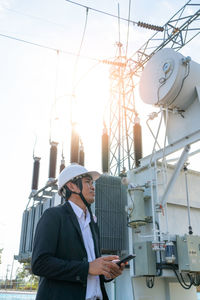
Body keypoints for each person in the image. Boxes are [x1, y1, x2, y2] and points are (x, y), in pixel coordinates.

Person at [31, 163, 125, 300]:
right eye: (88, 182)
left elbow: (91, 270)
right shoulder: (53, 216)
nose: (93, 187)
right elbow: (40, 264)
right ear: (72, 186)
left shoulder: (92, 223)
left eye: (92, 183)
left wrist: (107, 271)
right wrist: (87, 268)